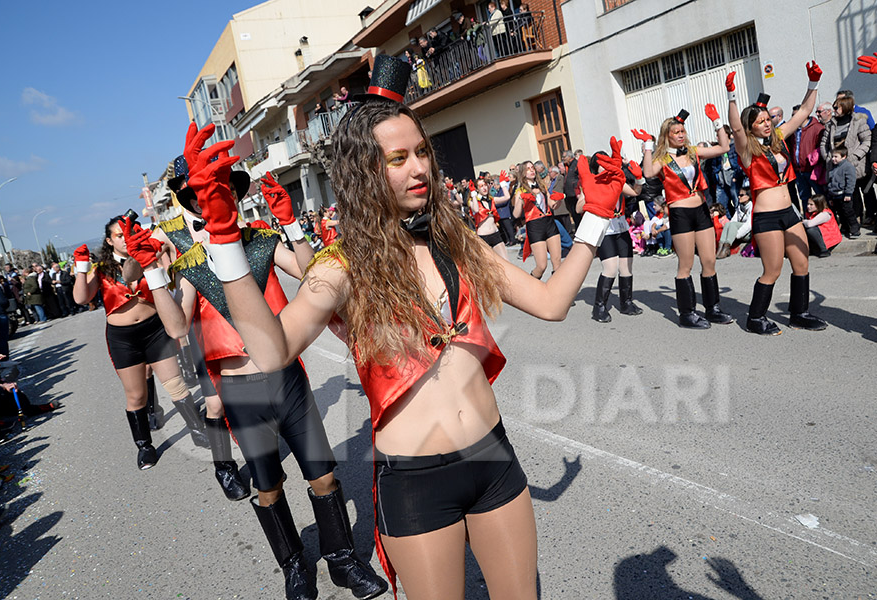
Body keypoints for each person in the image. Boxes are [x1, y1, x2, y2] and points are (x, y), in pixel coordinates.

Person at [194, 55, 624, 600]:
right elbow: (273, 349)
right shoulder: (340, 265)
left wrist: (595, 217)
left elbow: (551, 301)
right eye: (398, 158)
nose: (418, 168)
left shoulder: (456, 240)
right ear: (365, 172)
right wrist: (227, 241)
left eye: (422, 152)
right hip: (416, 479)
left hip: (494, 460)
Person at [143, 130, 387, 600]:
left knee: (323, 475)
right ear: (190, 201)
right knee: (268, 487)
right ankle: (294, 567)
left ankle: (342, 561)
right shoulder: (193, 260)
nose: (219, 198)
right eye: (203, 193)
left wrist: (293, 226)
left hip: (287, 378)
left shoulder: (260, 241)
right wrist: (154, 273)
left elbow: (314, 276)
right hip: (240, 388)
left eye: (227, 190)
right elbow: (177, 327)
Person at [72, 217, 210, 470]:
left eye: (129, 233)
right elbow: (82, 298)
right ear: (109, 240)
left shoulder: (149, 255)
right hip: (123, 337)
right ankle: (145, 446)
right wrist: (82, 267)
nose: (125, 238)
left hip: (155, 329)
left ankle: (197, 430)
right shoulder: (102, 267)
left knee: (176, 385)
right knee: (136, 396)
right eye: (119, 235)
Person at [726, 62, 827, 335]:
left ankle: (799, 314)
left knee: (802, 263)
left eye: (768, 119)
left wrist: (813, 83)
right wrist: (732, 96)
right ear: (751, 127)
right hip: (767, 216)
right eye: (760, 121)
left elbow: (805, 111)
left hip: (789, 212)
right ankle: (755, 318)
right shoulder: (746, 149)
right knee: (772, 270)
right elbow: (735, 129)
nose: (766, 124)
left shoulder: (778, 138)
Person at [632, 105, 734, 329]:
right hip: (680, 213)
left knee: (709, 261)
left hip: (701, 209)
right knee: (685, 264)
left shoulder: (693, 151)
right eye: (676, 132)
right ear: (667, 136)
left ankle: (712, 308)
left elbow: (724, 146)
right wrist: (648, 146)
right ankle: (686, 314)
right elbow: (648, 173)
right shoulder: (663, 159)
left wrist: (717, 122)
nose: (681, 135)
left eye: (682, 131)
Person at [590, 155, 643, 322]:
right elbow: (579, 206)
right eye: (601, 164)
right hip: (605, 230)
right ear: (595, 167)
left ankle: (626, 302)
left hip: (621, 227)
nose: (605, 166)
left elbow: (635, 192)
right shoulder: (593, 182)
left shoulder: (617, 181)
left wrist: (639, 179)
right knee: (610, 269)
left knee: (626, 267)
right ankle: (599, 307)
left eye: (607, 162)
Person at [820, 93, 871, 229]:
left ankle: (860, 219)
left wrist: (855, 156)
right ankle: (848, 222)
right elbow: (824, 143)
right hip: (835, 165)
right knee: (841, 194)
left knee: (856, 191)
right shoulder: (831, 124)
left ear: (845, 107)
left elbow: (867, 140)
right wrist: (828, 157)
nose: (834, 110)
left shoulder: (858, 121)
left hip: (853, 163)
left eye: (836, 107)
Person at [513, 160, 562, 278]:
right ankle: (532, 286)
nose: (531, 170)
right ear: (523, 173)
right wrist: (521, 199)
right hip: (535, 226)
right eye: (528, 169)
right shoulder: (520, 191)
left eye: (532, 168)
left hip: (549, 223)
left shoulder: (542, 186)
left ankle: (556, 292)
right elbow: (516, 214)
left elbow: (552, 205)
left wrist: (559, 199)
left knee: (557, 263)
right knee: (541, 266)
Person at [469, 177, 510, 261]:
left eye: (485, 185)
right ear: (477, 189)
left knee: (506, 261)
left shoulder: (492, 199)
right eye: (481, 186)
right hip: (483, 237)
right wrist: (473, 193)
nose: (484, 188)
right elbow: (476, 210)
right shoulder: (472, 201)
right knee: (491, 265)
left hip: (495, 234)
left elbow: (507, 197)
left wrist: (502, 184)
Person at [825, 146, 859, 237]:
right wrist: (830, 196)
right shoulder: (833, 168)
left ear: (843, 157)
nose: (833, 159)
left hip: (844, 195)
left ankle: (855, 228)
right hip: (834, 195)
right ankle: (845, 227)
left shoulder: (848, 167)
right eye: (832, 156)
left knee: (848, 212)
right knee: (840, 213)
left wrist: (848, 193)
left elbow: (851, 181)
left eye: (836, 157)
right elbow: (830, 182)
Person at [716, 184, 753, 258]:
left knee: (732, 225)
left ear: (748, 196)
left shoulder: (752, 206)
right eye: (739, 195)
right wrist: (730, 231)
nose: (739, 197)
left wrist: (736, 235)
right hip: (741, 231)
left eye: (741, 195)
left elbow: (749, 225)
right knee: (728, 224)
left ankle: (726, 248)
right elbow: (733, 220)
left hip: (748, 234)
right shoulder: (740, 206)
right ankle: (721, 247)